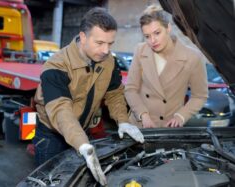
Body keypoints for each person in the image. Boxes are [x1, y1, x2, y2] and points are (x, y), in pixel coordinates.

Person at [33, 7, 144, 186]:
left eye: (110, 44)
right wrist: (82, 144)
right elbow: (61, 110)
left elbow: (115, 93)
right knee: (50, 182)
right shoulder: (55, 66)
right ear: (83, 37)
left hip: (83, 132)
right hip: (52, 137)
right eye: (99, 43)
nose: (106, 50)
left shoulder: (109, 61)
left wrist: (123, 120)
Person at [125, 4, 208, 128]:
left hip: (168, 127)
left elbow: (200, 95)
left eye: (157, 33)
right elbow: (131, 89)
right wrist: (143, 115)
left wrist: (181, 116)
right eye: (147, 36)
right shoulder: (140, 51)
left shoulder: (193, 57)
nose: (152, 41)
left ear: (168, 28)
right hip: (139, 123)